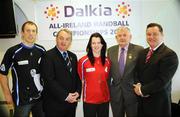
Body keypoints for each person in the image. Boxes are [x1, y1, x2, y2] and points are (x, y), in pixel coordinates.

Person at [0, 21, 45, 117]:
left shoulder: (41, 50)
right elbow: (3, 74)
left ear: (36, 34)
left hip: (40, 99)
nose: (31, 34)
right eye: (28, 31)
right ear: (22, 33)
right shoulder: (13, 51)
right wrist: (7, 95)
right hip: (22, 100)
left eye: (33, 31)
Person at [133, 23, 179, 117]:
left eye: (155, 34)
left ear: (162, 35)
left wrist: (142, 90)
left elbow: (162, 81)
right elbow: (136, 72)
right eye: (149, 34)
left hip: (158, 106)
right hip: (142, 104)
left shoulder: (170, 55)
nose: (151, 37)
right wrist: (138, 85)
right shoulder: (143, 53)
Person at [40, 28, 82, 117]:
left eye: (67, 39)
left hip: (71, 105)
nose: (64, 41)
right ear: (56, 39)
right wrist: (66, 96)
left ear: (70, 41)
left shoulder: (73, 56)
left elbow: (77, 77)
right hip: (55, 106)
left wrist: (78, 92)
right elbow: (49, 80)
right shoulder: (48, 56)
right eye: (61, 38)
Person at [107, 26, 143, 117]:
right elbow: (109, 72)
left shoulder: (139, 50)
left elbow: (142, 71)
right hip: (116, 93)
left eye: (124, 35)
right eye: (119, 35)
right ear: (116, 38)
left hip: (132, 93)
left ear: (130, 37)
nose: (122, 37)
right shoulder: (110, 50)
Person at [78, 32, 111, 117]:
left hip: (104, 100)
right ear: (90, 45)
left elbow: (107, 79)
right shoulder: (83, 61)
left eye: (98, 43)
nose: (96, 45)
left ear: (102, 45)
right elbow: (79, 81)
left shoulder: (107, 61)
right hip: (89, 101)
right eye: (93, 43)